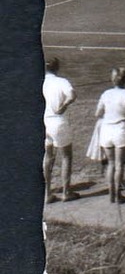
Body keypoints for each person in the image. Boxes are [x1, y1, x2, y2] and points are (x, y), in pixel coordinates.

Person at [93, 67, 125, 204]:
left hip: (106, 131)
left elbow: (97, 114)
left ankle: (111, 195)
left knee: (111, 164)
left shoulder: (106, 94)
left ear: (112, 79)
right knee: (120, 164)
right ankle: (118, 195)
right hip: (121, 130)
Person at [43, 58, 76, 203]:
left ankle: (46, 194)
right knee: (66, 156)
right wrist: (63, 106)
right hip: (58, 122)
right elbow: (72, 96)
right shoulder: (62, 82)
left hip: (44, 123)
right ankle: (65, 192)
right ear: (57, 68)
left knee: (47, 157)